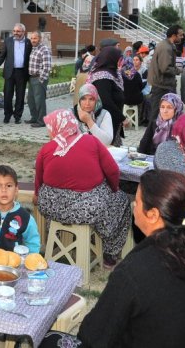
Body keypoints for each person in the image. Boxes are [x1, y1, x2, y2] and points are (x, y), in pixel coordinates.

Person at [70, 170, 185, 348]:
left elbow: (93, 337)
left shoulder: (136, 270)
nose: (134, 206)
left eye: (137, 201)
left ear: (152, 215)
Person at [34, 109, 130, 269]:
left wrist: (37, 195)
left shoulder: (47, 148)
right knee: (121, 201)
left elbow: (39, 180)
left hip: (52, 209)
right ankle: (110, 253)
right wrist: (114, 189)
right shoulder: (91, 142)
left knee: (91, 200)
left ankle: (57, 241)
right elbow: (113, 171)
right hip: (86, 210)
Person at [0, 22, 32, 124]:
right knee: (8, 95)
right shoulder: (8, 41)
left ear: (23, 32)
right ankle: (7, 115)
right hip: (10, 72)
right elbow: (2, 56)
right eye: (14, 31)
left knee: (20, 95)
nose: (15, 33)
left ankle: (18, 116)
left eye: (18, 31)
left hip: (22, 73)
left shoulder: (28, 42)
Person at [88, 46, 126, 145]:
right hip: (105, 122)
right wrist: (122, 117)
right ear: (111, 59)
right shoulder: (102, 77)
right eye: (118, 59)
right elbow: (106, 102)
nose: (120, 62)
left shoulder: (112, 74)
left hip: (112, 120)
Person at [148, 25, 184, 121]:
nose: (182, 37)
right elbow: (165, 68)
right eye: (180, 35)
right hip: (162, 86)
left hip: (163, 85)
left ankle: (153, 136)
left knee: (160, 115)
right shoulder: (166, 48)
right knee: (157, 116)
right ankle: (152, 136)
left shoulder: (167, 46)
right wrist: (179, 71)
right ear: (173, 35)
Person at [27, 30, 52, 128]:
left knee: (39, 101)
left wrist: (41, 80)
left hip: (39, 78)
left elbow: (47, 67)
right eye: (32, 38)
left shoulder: (44, 49)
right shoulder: (33, 48)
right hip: (31, 78)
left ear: (40, 39)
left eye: (35, 38)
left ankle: (41, 121)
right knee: (31, 100)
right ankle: (34, 117)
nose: (33, 40)